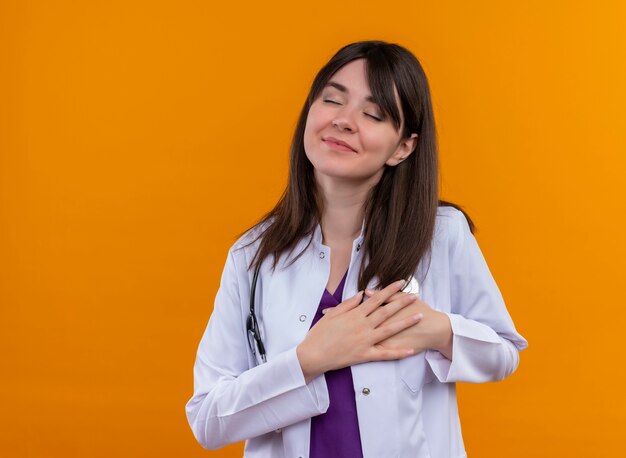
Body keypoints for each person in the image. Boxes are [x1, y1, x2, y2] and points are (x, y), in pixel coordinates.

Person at [185, 40, 528, 458]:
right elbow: (207, 419)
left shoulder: (441, 234)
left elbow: (504, 351)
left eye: (373, 114)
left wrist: (438, 331)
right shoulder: (253, 256)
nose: (344, 121)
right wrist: (309, 359)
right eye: (332, 99)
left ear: (403, 147)